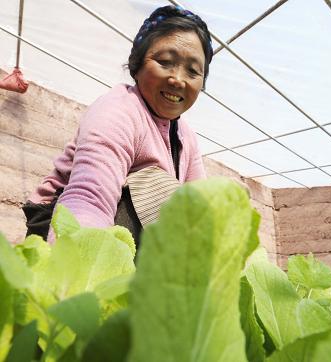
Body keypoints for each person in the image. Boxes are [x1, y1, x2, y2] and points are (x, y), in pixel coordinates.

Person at [22, 5, 213, 244]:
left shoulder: (187, 137)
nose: (177, 79)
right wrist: (78, 267)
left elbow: (199, 207)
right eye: (165, 62)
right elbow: (89, 197)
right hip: (60, 219)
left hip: (128, 234)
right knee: (154, 183)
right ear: (138, 64)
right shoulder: (118, 109)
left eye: (193, 71)